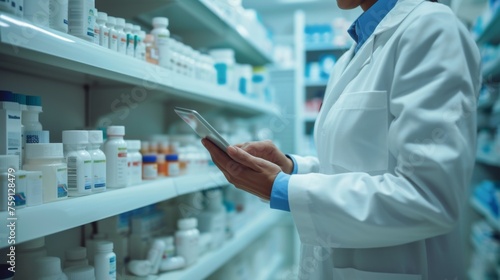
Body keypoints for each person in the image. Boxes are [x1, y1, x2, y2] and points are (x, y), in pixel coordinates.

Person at [202, 0, 481, 278]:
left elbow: (429, 196)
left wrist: (286, 190)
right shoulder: (352, 53)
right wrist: (291, 169)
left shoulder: (431, 28)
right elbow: (354, 166)